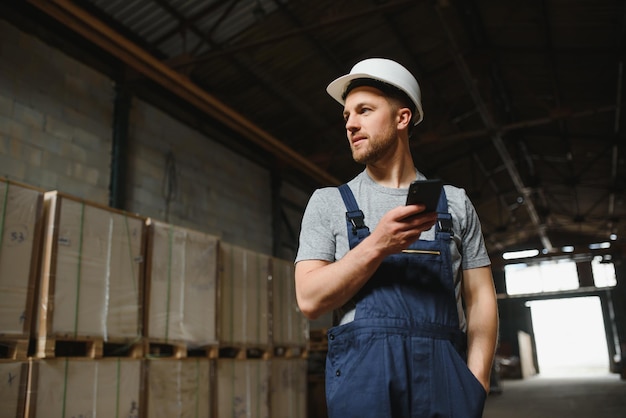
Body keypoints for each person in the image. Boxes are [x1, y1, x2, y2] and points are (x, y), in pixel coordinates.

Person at [294, 58, 498, 417]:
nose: (351, 124)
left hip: (445, 382)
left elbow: (480, 297)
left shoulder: (454, 203)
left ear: (402, 118)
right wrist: (379, 243)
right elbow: (310, 300)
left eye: (364, 111)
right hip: (364, 384)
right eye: (346, 116)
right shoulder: (328, 203)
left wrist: (475, 382)